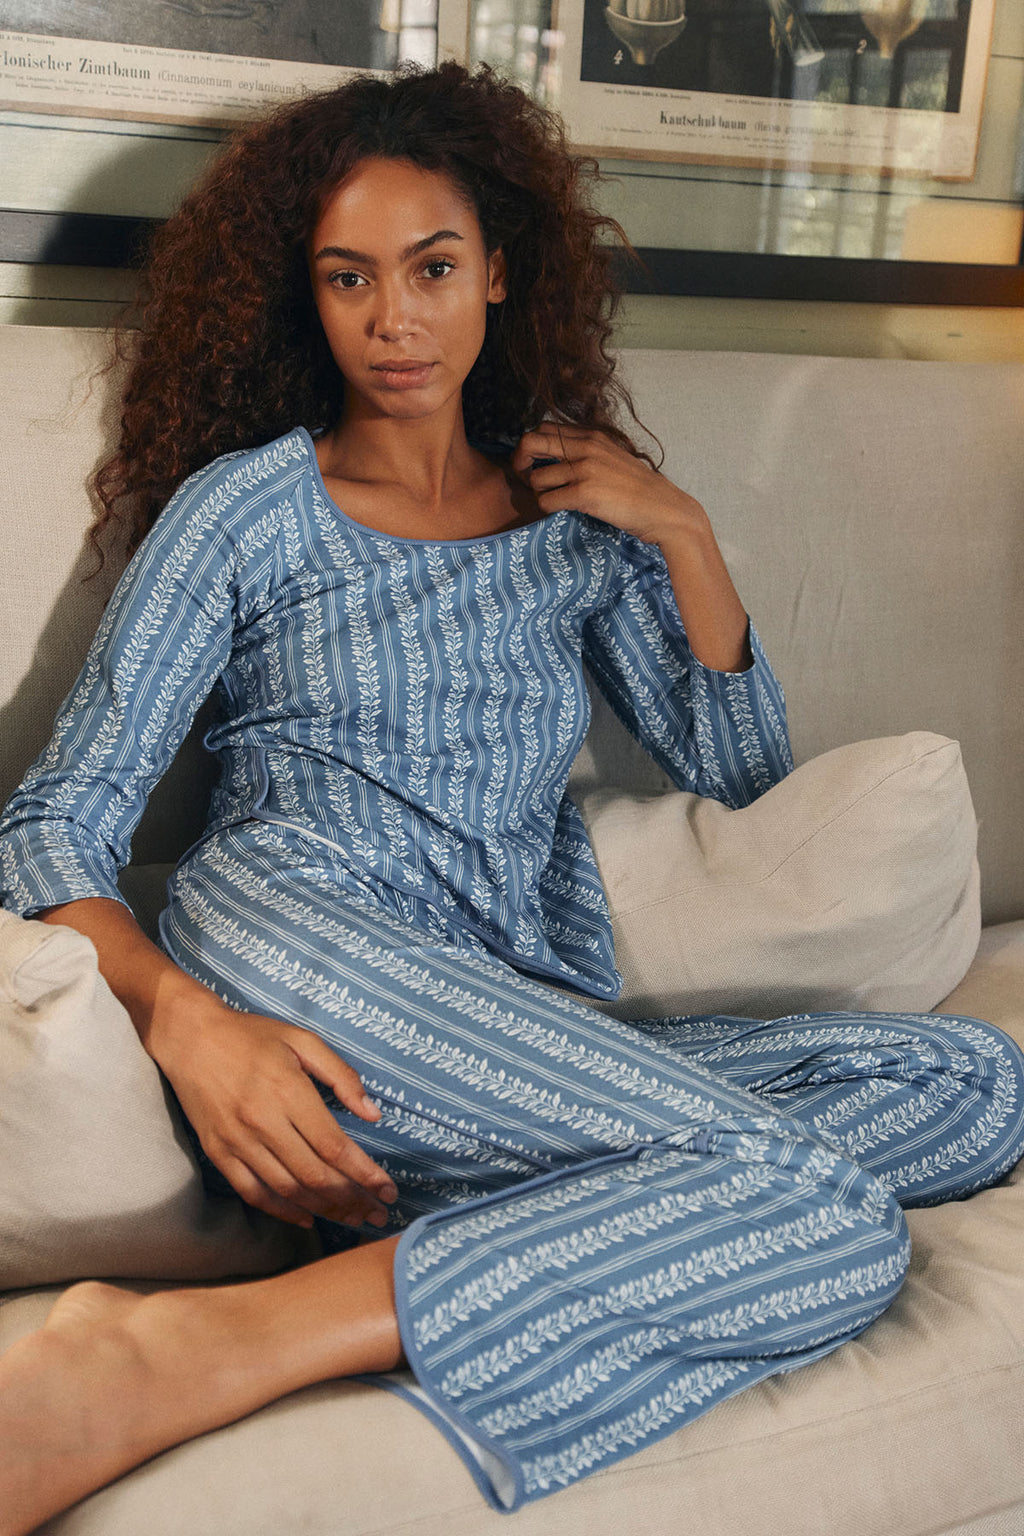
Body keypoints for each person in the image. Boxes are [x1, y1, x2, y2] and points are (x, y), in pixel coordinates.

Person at [0, 61, 1022, 1534]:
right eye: (349, 278)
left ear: (499, 276)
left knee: (974, 1086)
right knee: (825, 1211)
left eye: (431, 270)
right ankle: (177, 1354)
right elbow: (54, 816)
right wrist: (190, 1021)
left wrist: (682, 533)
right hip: (297, 942)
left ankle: (420, 1243)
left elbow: (742, 781)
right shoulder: (249, 509)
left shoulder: (571, 522)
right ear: (308, 296)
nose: (393, 319)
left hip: (498, 1003)